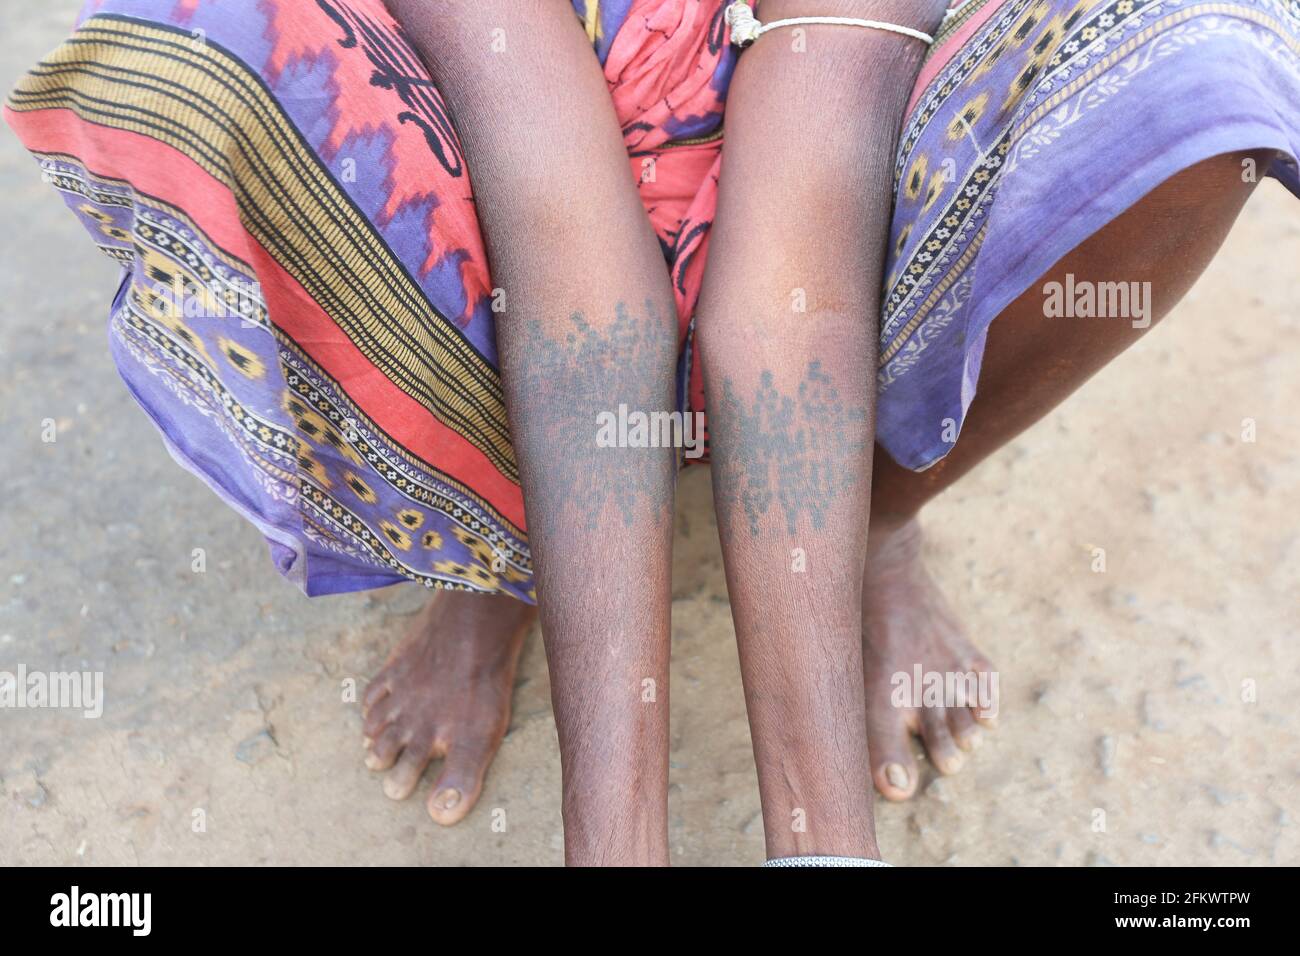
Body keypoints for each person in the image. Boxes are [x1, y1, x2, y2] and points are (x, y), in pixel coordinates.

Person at [7, 0, 1297, 866]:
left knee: (1201, 71)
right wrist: (612, 841)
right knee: (221, 81)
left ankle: (870, 521)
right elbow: (575, 277)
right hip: (508, 184)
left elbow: (800, 262)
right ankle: (492, 561)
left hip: (816, 165)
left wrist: (823, 841)